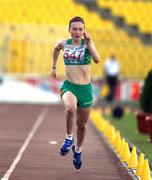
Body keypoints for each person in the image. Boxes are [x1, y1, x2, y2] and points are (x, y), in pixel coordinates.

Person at [50, 16, 100, 169]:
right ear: (69, 30)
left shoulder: (87, 44)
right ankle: (68, 138)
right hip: (69, 86)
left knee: (82, 126)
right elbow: (56, 49)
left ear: (84, 31)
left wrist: (90, 42)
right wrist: (54, 67)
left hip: (85, 89)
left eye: (80, 29)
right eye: (74, 28)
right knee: (71, 108)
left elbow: (97, 59)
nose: (77, 32)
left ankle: (78, 150)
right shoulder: (64, 43)